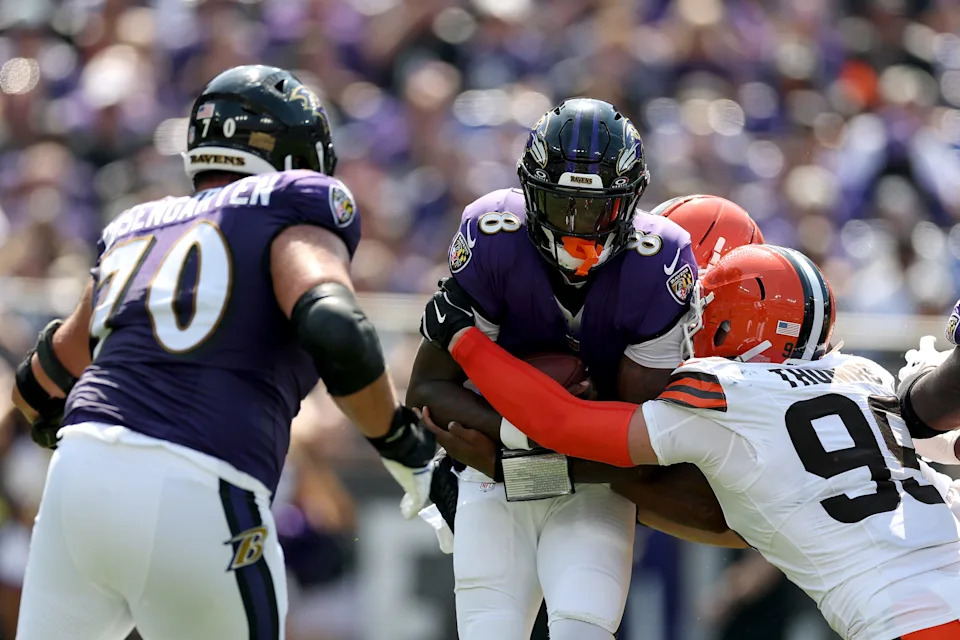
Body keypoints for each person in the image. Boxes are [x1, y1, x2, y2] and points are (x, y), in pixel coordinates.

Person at [10, 65, 434, 640]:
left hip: (77, 479)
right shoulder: (291, 203)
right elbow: (336, 327)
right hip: (200, 479)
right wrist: (402, 446)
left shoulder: (136, 225)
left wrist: (60, 426)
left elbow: (42, 380)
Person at [423, 244, 960, 640]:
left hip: (905, 619)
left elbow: (565, 423)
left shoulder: (727, 398)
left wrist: (463, 339)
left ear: (729, 326)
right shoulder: (861, 374)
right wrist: (512, 470)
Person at [411, 97, 741, 640]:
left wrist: (508, 446)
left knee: (581, 629)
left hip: (590, 479)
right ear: (528, 194)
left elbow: (637, 443)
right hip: (506, 472)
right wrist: (523, 436)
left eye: (595, 209)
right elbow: (423, 389)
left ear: (631, 203)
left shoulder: (657, 261)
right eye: (561, 204)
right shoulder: (495, 239)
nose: (577, 227)